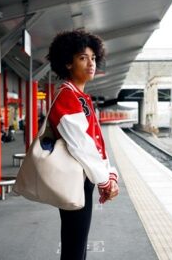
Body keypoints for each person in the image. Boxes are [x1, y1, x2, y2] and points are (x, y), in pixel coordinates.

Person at [47, 29, 119, 260]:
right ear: (67, 63)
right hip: (75, 179)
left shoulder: (80, 97)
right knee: (74, 247)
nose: (91, 64)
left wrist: (109, 175)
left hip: (83, 178)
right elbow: (81, 146)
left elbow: (95, 142)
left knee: (77, 244)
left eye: (93, 58)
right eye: (83, 58)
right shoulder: (67, 97)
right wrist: (105, 179)